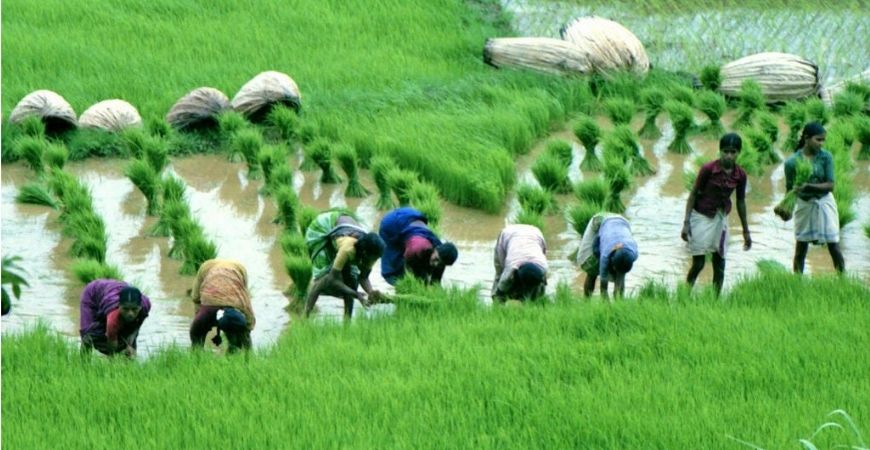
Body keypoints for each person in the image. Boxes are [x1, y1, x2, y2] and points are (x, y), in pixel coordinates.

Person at [681, 132, 752, 295]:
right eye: (725, 151)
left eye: (733, 152)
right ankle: (684, 294)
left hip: (721, 218)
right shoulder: (708, 169)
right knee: (698, 263)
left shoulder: (740, 175)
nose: (728, 155)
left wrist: (746, 231)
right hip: (701, 216)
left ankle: (715, 299)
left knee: (719, 262)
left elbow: (741, 201)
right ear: (719, 151)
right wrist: (686, 223)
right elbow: (693, 194)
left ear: (738, 153)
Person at [783, 122, 845, 274]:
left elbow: (830, 185)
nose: (821, 143)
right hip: (804, 205)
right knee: (801, 248)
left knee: (833, 245)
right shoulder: (792, 162)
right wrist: (786, 208)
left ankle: (843, 280)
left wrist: (808, 186)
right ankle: (797, 283)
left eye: (823, 140)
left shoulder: (826, 157)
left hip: (824, 203)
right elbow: (789, 189)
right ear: (806, 138)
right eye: (818, 139)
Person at [305, 210, 385, 318]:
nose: (374, 261)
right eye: (373, 258)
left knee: (352, 281)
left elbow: (363, 278)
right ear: (365, 253)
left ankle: (346, 324)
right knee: (322, 280)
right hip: (322, 227)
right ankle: (305, 317)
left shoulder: (373, 253)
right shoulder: (348, 249)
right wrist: (356, 294)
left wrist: (371, 292)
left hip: (345, 227)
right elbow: (333, 279)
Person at [378, 207, 458, 286]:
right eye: (436, 259)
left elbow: (436, 282)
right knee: (394, 268)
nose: (436, 264)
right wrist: (415, 283)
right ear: (435, 249)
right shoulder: (416, 248)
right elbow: (409, 273)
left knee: (424, 268)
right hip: (392, 224)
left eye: (440, 263)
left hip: (412, 219)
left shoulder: (441, 253)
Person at [190, 259, 255, 353]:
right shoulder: (240, 268)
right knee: (238, 339)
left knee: (196, 338)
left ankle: (196, 360)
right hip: (233, 310)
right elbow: (245, 299)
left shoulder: (204, 267)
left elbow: (196, 297)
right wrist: (248, 327)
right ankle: (245, 359)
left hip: (208, 306)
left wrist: (198, 320)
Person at [79, 279, 151, 357]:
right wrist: (112, 358)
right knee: (88, 335)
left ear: (140, 307)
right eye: (126, 309)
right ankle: (84, 364)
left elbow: (136, 327)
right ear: (119, 306)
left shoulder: (145, 306)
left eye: (134, 309)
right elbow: (112, 342)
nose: (130, 313)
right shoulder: (113, 317)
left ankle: (130, 361)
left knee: (128, 333)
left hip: (112, 289)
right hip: (92, 293)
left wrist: (129, 344)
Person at [577, 213, 638, 299]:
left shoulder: (633, 253)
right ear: (612, 258)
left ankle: (619, 301)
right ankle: (586, 302)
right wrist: (606, 302)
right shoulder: (605, 253)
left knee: (621, 272)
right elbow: (603, 287)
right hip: (601, 221)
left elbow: (621, 271)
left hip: (623, 223)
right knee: (592, 269)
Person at [492, 224, 548, 302]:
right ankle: (496, 305)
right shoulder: (511, 268)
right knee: (500, 273)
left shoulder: (543, 266)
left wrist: (539, 299)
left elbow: (543, 284)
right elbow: (501, 288)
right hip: (508, 234)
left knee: (538, 290)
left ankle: (532, 302)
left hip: (536, 234)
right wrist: (499, 296)